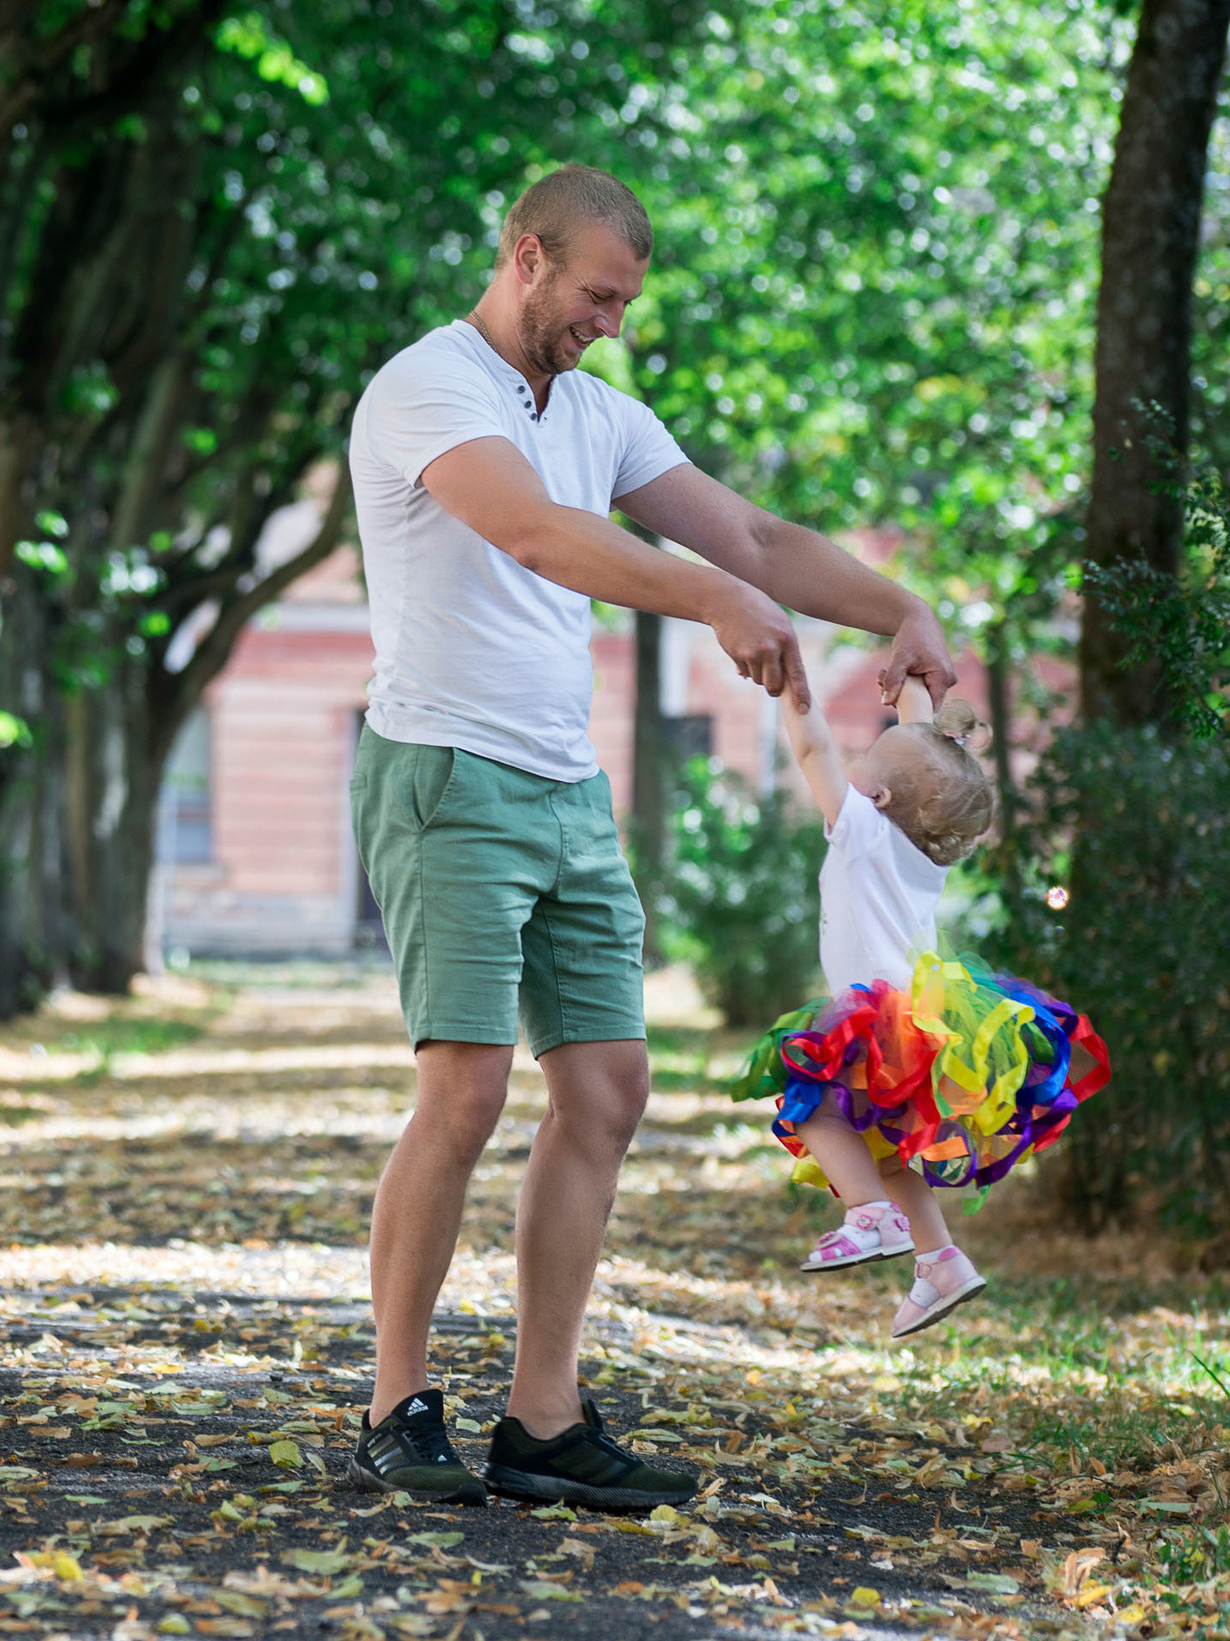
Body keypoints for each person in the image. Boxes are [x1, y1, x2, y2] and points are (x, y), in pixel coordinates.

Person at [342, 163, 959, 1510]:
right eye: (597, 295)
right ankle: (394, 1405)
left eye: (626, 302)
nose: (610, 321)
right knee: (466, 1092)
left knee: (607, 1091)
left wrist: (893, 606)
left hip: (563, 788)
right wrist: (709, 600)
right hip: (447, 772)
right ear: (526, 255)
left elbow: (752, 530)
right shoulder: (427, 385)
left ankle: (543, 1418)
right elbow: (536, 533)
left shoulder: (603, 412)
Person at [733, 683, 1108, 1336]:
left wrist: (791, 683)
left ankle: (871, 1217)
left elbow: (814, 744)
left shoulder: (862, 831)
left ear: (875, 797)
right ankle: (941, 1261)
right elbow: (919, 748)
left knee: (810, 1098)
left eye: (864, 758)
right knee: (889, 1147)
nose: (849, 759)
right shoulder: (915, 846)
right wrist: (910, 679)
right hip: (922, 1016)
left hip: (874, 1013)